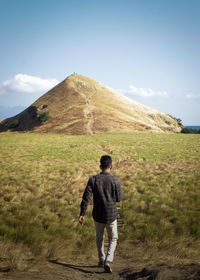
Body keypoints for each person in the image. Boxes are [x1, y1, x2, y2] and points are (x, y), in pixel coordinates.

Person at [79, 155, 123, 273]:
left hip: (97, 215)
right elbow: (119, 198)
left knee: (99, 237)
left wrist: (82, 213)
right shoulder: (115, 181)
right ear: (111, 167)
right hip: (111, 215)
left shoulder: (93, 179)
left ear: (100, 166)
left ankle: (101, 259)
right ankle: (108, 260)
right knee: (113, 238)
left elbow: (86, 198)